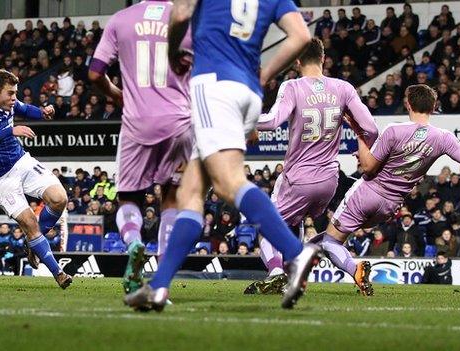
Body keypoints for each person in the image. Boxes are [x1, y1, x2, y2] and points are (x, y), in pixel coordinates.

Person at [125, 0, 318, 312]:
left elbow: (182, 12)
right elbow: (301, 36)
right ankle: (158, 287)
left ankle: (295, 252)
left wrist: (172, 51)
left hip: (213, 84)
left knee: (229, 182)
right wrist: (266, 72)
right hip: (249, 91)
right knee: (190, 192)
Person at [310, 84, 460, 293]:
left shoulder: (394, 130)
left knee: (332, 241)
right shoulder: (442, 138)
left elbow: (368, 168)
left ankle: (353, 269)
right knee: (326, 241)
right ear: (434, 106)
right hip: (391, 206)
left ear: (408, 104)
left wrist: (359, 136)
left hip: (368, 192)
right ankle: (299, 260)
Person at [244, 38, 379, 295]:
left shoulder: (293, 86)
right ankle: (348, 268)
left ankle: (275, 273)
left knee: (266, 225)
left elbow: (273, 121)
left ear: (297, 62)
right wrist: (360, 140)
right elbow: (371, 128)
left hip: (298, 178)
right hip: (329, 181)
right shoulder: (343, 88)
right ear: (323, 58)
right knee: (309, 229)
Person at [88, 0, 194, 294]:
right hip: (180, 123)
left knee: (128, 197)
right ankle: (162, 279)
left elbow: (95, 73)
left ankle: (134, 241)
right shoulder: (187, 19)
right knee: (172, 199)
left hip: (136, 123)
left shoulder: (121, 19)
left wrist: (116, 94)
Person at [0, 69, 71, 288]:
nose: (15, 98)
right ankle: (58, 273)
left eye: (15, 93)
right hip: (1, 178)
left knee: (60, 198)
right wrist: (11, 131)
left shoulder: (9, 104)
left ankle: (33, 243)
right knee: (30, 222)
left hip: (21, 161)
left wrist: (42, 113)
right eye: (11, 93)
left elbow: (25, 108)